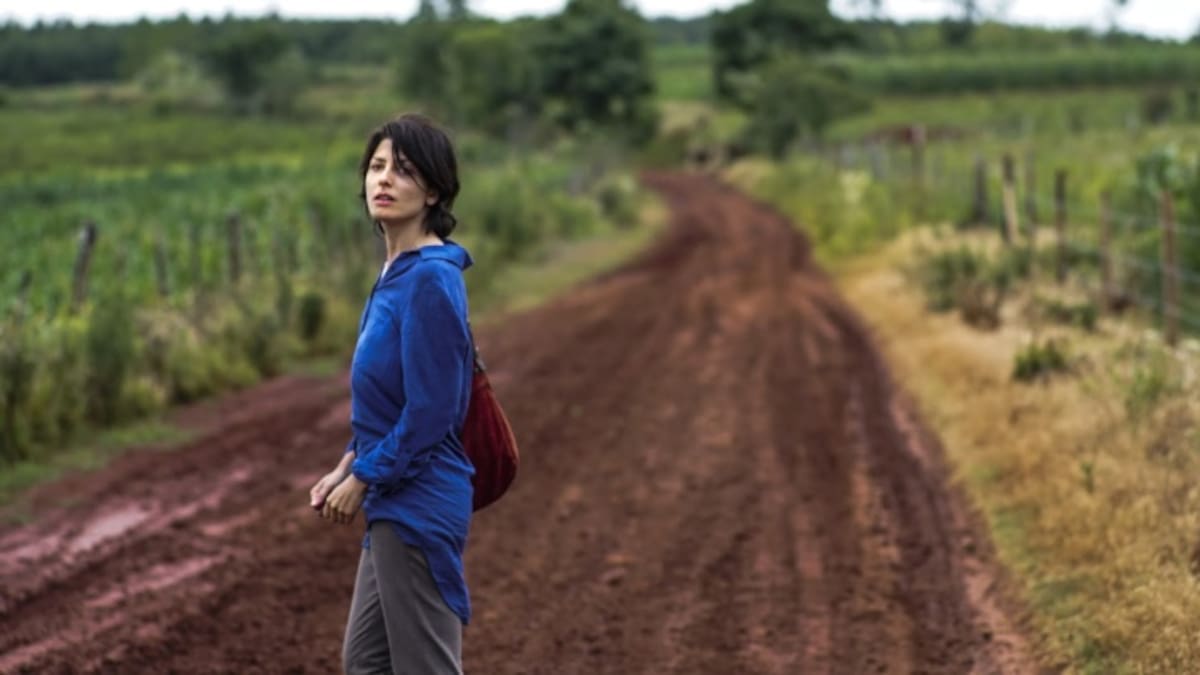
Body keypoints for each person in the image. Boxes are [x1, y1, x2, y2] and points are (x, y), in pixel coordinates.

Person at [308, 113, 475, 675]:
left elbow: (433, 410)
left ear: (432, 189)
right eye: (376, 167)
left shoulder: (430, 278)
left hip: (420, 501)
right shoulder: (395, 273)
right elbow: (390, 403)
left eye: (403, 171)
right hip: (393, 493)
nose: (384, 180)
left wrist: (363, 477)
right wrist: (347, 465)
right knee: (367, 665)